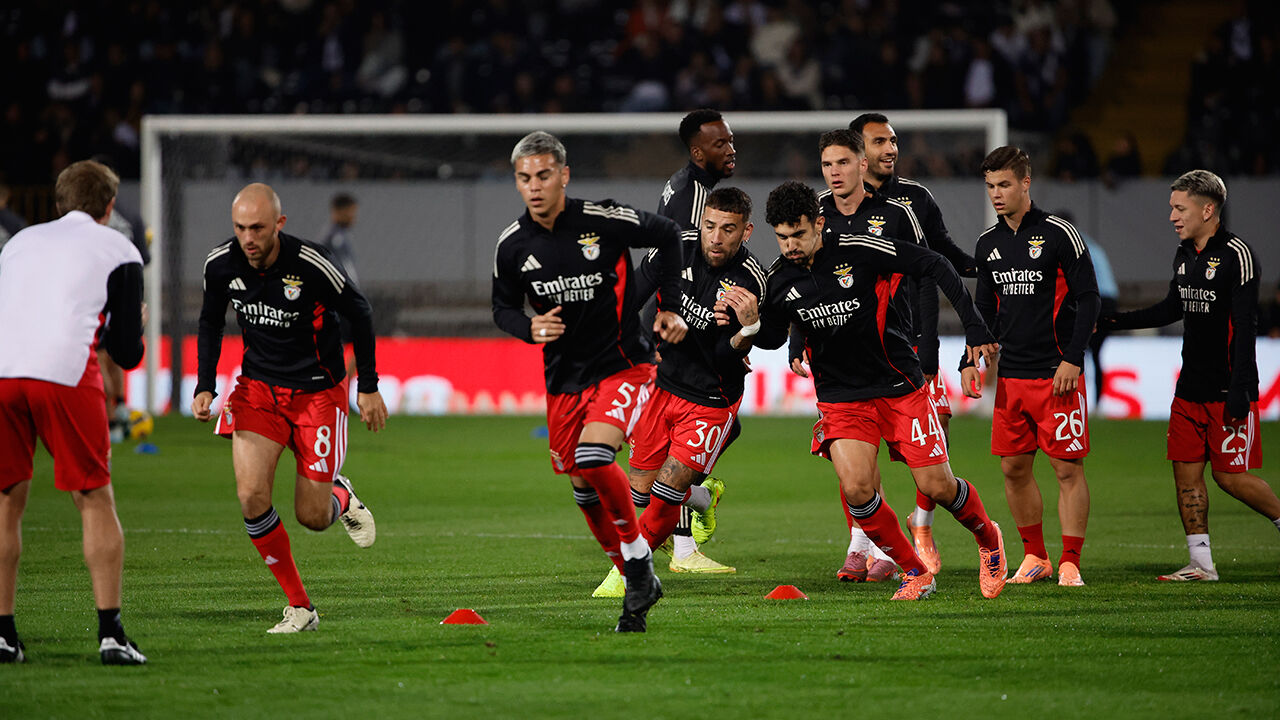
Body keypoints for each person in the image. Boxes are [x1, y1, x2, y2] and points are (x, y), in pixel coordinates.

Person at [749, 180, 1007, 601]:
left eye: (799, 234)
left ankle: (987, 535)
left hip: (897, 385)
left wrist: (975, 326)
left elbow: (937, 265)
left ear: (819, 223)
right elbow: (773, 336)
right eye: (781, 237)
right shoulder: (777, 278)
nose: (791, 245)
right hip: (840, 396)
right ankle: (915, 572)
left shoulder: (860, 247)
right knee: (856, 489)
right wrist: (749, 325)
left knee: (938, 486)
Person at [492, 131, 689, 632]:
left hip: (622, 363)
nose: (533, 187)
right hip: (563, 380)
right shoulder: (512, 246)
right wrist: (528, 327)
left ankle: (639, 563)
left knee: (594, 457)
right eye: (523, 178)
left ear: (564, 175)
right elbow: (501, 308)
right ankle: (636, 575)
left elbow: (668, 233)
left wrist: (667, 307)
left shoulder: (602, 219)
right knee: (582, 485)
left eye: (542, 175)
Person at [192, 183, 387, 633]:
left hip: (317, 394)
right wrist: (205, 384)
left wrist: (369, 386)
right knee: (251, 497)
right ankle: (301, 606)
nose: (248, 238)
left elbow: (360, 311)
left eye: (258, 227)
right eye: (240, 228)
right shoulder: (221, 264)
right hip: (258, 390)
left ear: (279, 224)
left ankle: (341, 495)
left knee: (312, 517)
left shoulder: (311, 263)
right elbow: (209, 320)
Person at [0, 159, 147, 664]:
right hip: (63, 373)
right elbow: (125, 353)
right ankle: (111, 634)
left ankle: (2, 635)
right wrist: (135, 326)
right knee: (93, 499)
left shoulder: (18, 242)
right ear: (109, 206)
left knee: (6, 503)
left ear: (59, 202)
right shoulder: (119, 248)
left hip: (2, 373)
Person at [1104, 170, 1279, 581]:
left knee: (1230, 478)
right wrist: (1112, 320)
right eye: (1172, 208)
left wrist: (1241, 389)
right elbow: (1171, 308)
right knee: (1186, 476)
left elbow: (1246, 326)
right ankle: (1202, 564)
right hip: (1189, 389)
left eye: (1179, 209)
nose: (1172, 217)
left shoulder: (1238, 255)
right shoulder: (1185, 254)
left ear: (1208, 209)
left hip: (1227, 388)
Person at [593, 187, 767, 597]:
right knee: (640, 492)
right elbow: (631, 299)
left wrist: (747, 331)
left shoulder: (750, 282)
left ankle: (628, 574)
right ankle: (704, 497)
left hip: (710, 397)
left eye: (728, 229)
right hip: (661, 384)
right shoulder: (674, 249)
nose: (716, 237)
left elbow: (728, 358)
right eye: (709, 226)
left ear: (746, 232)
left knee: (667, 491)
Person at [793, 128, 930, 583]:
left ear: (861, 163)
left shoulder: (895, 213)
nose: (834, 172)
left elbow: (925, 274)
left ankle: (916, 536)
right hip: (836, 359)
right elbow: (803, 282)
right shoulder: (815, 215)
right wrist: (796, 340)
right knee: (853, 464)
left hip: (893, 352)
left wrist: (926, 345)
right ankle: (865, 545)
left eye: (842, 162)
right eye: (827, 164)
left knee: (923, 469)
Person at [962, 146, 1100, 588]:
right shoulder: (989, 244)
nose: (996, 194)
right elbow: (982, 308)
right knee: (1013, 468)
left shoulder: (1060, 234)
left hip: (1056, 374)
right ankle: (1035, 556)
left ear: (1025, 183)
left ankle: (1070, 561)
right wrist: (971, 356)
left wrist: (1073, 359)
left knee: (1066, 468)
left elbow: (1089, 299)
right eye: (990, 187)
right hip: (1012, 377)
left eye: (1004, 185)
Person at [850, 113, 979, 575]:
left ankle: (920, 524)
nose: (890, 148)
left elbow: (940, 258)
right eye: (880, 141)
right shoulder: (833, 207)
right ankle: (864, 544)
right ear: (857, 153)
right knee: (856, 452)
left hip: (909, 341)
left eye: (893, 140)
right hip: (856, 348)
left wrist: (989, 264)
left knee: (934, 434)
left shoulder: (914, 200)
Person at [649, 108, 738, 575]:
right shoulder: (695, 197)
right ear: (697, 151)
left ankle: (689, 528)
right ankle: (688, 530)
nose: (731, 148)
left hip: (674, 318)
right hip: (674, 323)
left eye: (730, 139)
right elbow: (677, 267)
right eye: (720, 144)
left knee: (695, 443)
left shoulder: (683, 183)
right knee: (664, 459)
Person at [318, 192, 360, 286]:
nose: (354, 217)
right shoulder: (335, 237)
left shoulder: (342, 234)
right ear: (339, 211)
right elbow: (342, 267)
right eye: (351, 211)